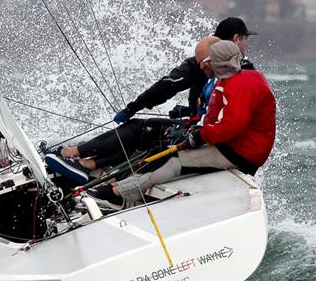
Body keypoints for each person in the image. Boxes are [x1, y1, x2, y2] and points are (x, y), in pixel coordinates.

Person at [94, 40, 276, 208]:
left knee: (174, 160)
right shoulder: (236, 79)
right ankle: (120, 185)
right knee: (170, 149)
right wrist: (198, 129)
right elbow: (218, 117)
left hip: (240, 154)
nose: (204, 65)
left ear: (220, 62)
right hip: (232, 146)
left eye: (209, 61)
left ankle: (120, 194)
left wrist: (200, 136)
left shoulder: (239, 84)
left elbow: (233, 126)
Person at [44, 35, 219, 184]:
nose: (200, 66)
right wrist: (188, 111)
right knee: (142, 132)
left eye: (201, 61)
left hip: (203, 137)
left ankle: (75, 157)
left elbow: (167, 86)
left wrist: (132, 108)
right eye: (198, 62)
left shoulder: (227, 76)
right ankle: (80, 161)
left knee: (142, 130)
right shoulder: (212, 73)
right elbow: (207, 106)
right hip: (198, 127)